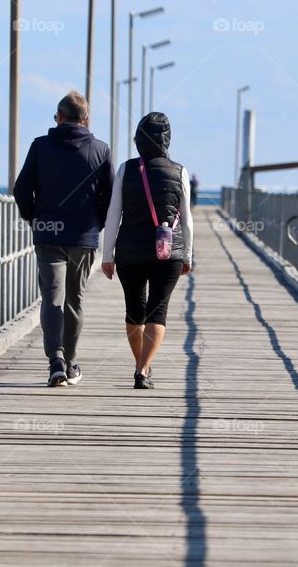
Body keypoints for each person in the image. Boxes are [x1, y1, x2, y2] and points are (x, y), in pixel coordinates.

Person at [14, 91, 115, 387]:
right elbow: (109, 197)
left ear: (59, 118)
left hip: (48, 235)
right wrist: (94, 223)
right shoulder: (101, 150)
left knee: (52, 299)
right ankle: (70, 363)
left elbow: (22, 189)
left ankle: (55, 360)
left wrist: (34, 218)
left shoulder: (40, 147)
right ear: (86, 120)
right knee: (74, 300)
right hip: (83, 237)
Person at [101, 112, 194, 389]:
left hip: (129, 253)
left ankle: (141, 365)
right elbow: (186, 218)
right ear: (167, 140)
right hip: (169, 251)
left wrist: (107, 256)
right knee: (158, 311)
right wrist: (188, 255)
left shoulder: (126, 170)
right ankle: (143, 369)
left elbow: (113, 215)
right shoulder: (180, 172)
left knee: (134, 311)